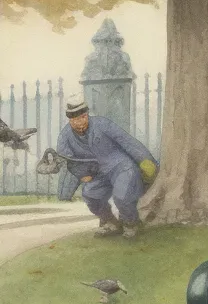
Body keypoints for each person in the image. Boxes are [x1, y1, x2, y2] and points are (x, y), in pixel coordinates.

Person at [56, 96, 158, 239]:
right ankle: (109, 222)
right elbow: (68, 160)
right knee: (90, 194)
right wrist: (81, 174)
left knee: (122, 196)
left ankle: (131, 223)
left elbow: (126, 141)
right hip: (97, 173)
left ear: (87, 115)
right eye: (75, 120)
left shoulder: (102, 124)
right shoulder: (65, 136)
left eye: (83, 117)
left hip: (120, 166)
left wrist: (145, 160)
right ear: (70, 120)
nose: (80, 122)